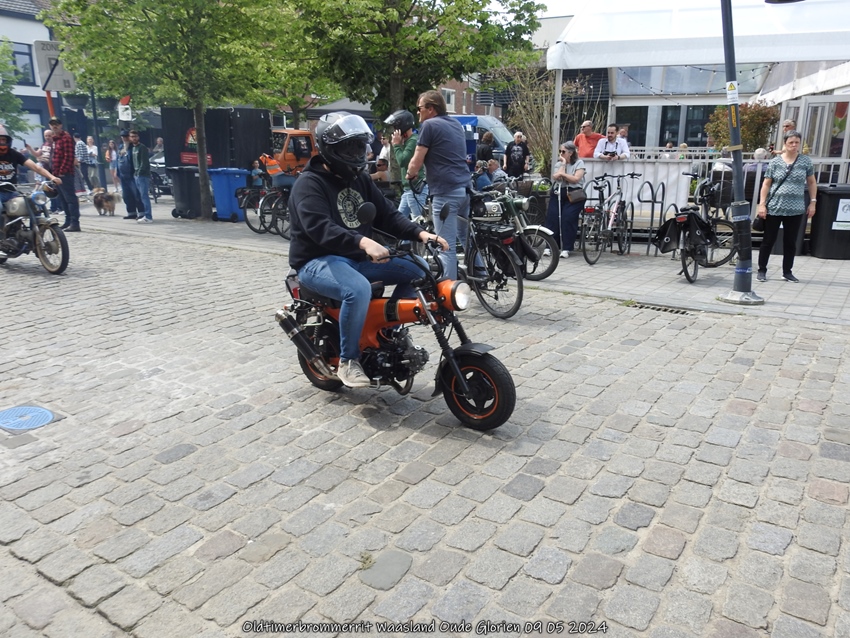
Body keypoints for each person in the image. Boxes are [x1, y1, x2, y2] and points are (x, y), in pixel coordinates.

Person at [288, 111, 447, 388]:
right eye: (349, 148)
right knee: (357, 289)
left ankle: (387, 333)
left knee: (420, 269)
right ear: (330, 149)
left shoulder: (360, 179)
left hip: (356, 257)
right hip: (317, 260)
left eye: (359, 146)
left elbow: (387, 214)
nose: (356, 154)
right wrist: (362, 242)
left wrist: (421, 233)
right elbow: (319, 227)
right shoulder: (309, 184)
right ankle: (349, 361)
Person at [405, 90, 472, 279]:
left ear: (431, 109)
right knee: (465, 237)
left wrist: (410, 174)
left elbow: (417, 160)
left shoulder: (429, 125)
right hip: (465, 189)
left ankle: (449, 290)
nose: (418, 112)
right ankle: (481, 274)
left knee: (445, 244)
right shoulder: (455, 123)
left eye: (419, 108)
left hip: (445, 191)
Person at [755, 129, 816, 283]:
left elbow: (811, 182)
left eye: (797, 142)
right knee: (768, 240)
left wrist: (813, 202)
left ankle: (787, 272)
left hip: (796, 208)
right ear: (785, 143)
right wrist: (762, 204)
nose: (794, 145)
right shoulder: (775, 162)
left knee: (790, 242)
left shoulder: (805, 161)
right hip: (775, 206)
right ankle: (762, 270)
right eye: (791, 142)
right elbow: (766, 184)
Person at [0, 124, 62, 204]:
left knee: (31, 204)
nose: (2, 142)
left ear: (7, 141)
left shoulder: (14, 154)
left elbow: (35, 167)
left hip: (12, 192)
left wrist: (52, 177)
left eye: (3, 139)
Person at [545, 141, 585, 259]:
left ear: (571, 153)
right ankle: (551, 245)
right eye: (560, 151)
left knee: (568, 218)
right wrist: (563, 164)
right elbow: (555, 177)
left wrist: (563, 175)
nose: (561, 154)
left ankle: (566, 247)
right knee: (553, 218)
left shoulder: (579, 163)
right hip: (558, 192)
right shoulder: (559, 163)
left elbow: (576, 179)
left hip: (574, 194)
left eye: (563, 151)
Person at [386, 109, 428, 221]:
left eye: (395, 127)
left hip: (415, 189)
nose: (394, 131)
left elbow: (402, 161)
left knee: (418, 221)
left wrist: (396, 145)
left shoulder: (413, 141)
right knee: (398, 221)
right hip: (408, 189)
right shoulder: (407, 141)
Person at [49, 118, 82, 231]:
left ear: (61, 125)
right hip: (57, 174)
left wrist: (62, 172)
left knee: (70, 199)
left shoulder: (66, 138)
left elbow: (69, 156)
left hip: (65, 174)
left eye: (56, 124)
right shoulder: (55, 139)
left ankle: (75, 223)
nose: (54, 126)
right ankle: (68, 221)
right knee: (63, 199)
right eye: (52, 124)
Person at [128, 130, 153, 223]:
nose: (134, 138)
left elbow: (144, 162)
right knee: (142, 196)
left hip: (142, 175)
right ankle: (146, 215)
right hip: (136, 175)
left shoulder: (142, 147)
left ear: (138, 137)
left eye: (135, 136)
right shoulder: (133, 148)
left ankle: (148, 217)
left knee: (144, 196)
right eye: (132, 136)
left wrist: (139, 172)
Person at [117, 130, 141, 219]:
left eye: (126, 137)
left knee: (137, 194)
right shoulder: (120, 147)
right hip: (123, 175)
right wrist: (117, 172)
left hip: (132, 174)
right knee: (127, 195)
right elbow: (118, 160)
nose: (124, 138)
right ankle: (131, 212)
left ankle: (141, 212)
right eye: (123, 137)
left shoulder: (133, 147)